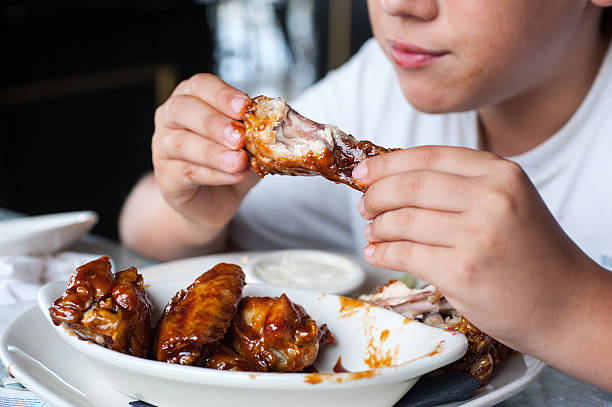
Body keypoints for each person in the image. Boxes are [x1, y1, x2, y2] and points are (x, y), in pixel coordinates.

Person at [119, 0, 612, 392]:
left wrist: (571, 308)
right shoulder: (384, 80)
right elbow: (145, 233)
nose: (399, 6)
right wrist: (195, 209)